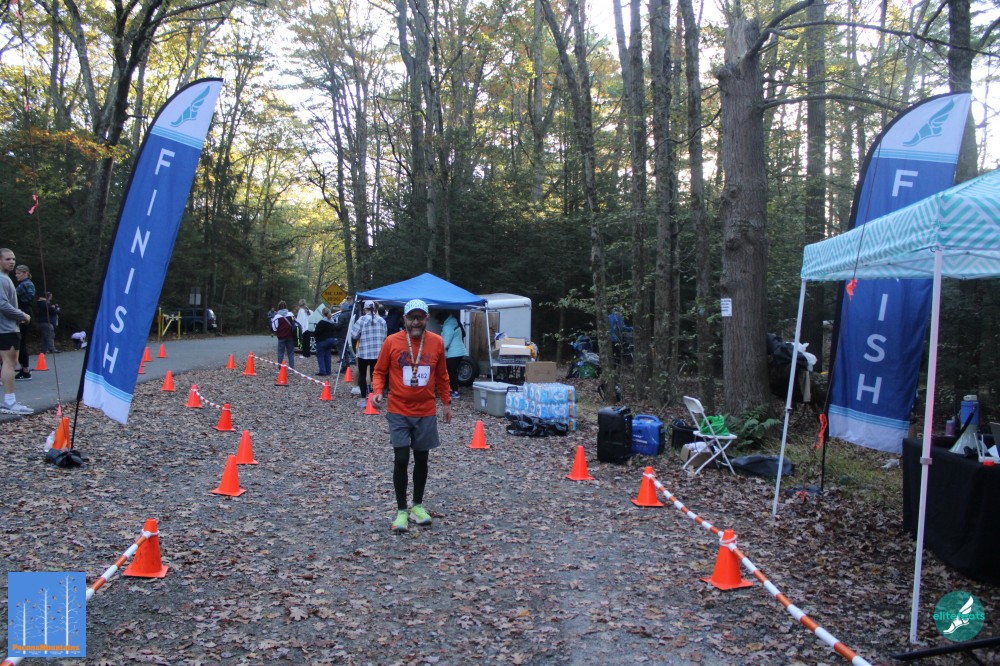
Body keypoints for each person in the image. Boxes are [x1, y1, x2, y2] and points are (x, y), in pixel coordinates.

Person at [371, 299, 452, 532]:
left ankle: (417, 505)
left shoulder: (437, 342)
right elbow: (379, 371)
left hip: (425, 411)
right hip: (398, 409)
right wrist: (377, 391)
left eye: (420, 317)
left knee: (422, 459)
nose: (415, 322)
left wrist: (446, 403)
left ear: (426, 318)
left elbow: (442, 375)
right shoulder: (391, 341)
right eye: (411, 317)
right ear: (404, 319)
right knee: (401, 458)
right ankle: (401, 511)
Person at [0, 249, 33, 414]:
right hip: (6, 329)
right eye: (7, 259)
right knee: (9, 363)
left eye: (13, 259)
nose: (12, 262)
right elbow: (3, 305)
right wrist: (22, 315)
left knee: (8, 362)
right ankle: (9, 402)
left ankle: (9, 401)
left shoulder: (5, 278)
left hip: (8, 326)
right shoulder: (1, 279)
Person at [350, 299, 387, 403]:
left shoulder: (361, 320)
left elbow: (354, 335)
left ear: (364, 309)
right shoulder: (382, 321)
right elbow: (385, 336)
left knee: (362, 375)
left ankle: (363, 398)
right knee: (375, 375)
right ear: (375, 308)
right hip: (378, 353)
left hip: (364, 352)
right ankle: (374, 396)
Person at [437, 310, 467, 399]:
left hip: (453, 353)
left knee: (451, 372)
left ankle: (454, 391)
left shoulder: (448, 327)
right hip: (458, 352)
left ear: (442, 319)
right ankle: (452, 389)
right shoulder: (453, 322)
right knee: (453, 372)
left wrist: (437, 349)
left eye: (438, 321)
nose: (438, 323)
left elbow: (445, 343)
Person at [14, 264, 35, 380]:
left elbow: (12, 296)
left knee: (20, 342)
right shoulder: (26, 284)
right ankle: (24, 368)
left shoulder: (25, 284)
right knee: (21, 342)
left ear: (25, 273)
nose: (16, 275)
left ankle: (25, 370)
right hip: (24, 312)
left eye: (18, 273)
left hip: (23, 313)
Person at [270, 300, 296, 369]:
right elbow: (295, 323)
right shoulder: (291, 314)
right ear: (286, 306)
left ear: (278, 307)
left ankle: (280, 368)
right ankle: (291, 368)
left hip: (281, 337)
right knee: (290, 353)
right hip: (290, 337)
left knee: (280, 353)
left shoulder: (276, 317)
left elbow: (274, 328)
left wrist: (278, 331)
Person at [313, 306, 338, 376]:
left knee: (320, 355)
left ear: (323, 314)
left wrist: (315, 335)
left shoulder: (322, 322)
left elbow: (317, 332)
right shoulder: (332, 322)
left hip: (322, 341)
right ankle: (328, 371)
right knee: (328, 355)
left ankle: (322, 371)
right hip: (331, 340)